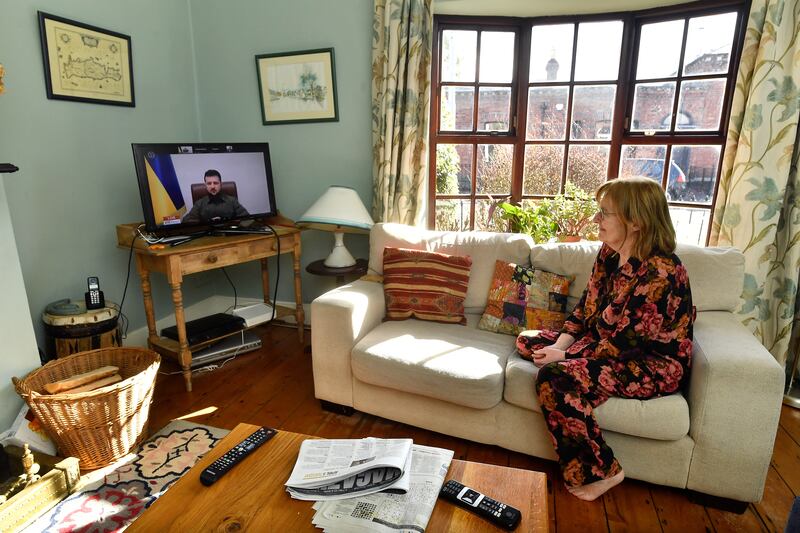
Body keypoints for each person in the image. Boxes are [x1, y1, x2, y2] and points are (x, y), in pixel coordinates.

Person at [516, 177, 694, 502]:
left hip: (645, 364)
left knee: (553, 377)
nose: (596, 220)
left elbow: (625, 346)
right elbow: (586, 307)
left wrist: (566, 361)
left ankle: (602, 472)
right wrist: (559, 345)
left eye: (605, 213)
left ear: (636, 222)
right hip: (601, 344)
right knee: (528, 341)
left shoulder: (662, 272)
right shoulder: (610, 253)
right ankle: (582, 387)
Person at [182, 169, 249, 224]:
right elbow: (186, 223)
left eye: (215, 183)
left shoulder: (232, 201)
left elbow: (247, 219)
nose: (212, 186)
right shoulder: (199, 204)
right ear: (205, 185)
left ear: (221, 184)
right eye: (209, 183)